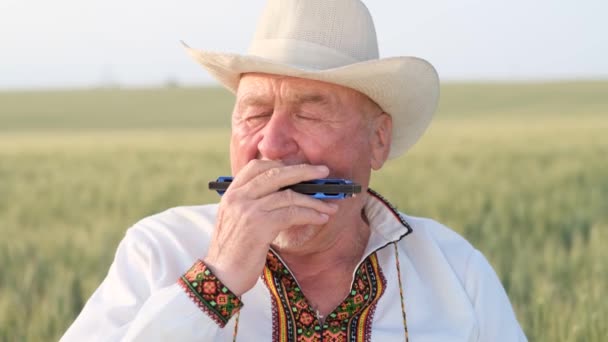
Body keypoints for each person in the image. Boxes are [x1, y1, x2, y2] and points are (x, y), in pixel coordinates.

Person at [62, 0, 527, 341]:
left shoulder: (454, 269)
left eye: (309, 113)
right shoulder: (158, 251)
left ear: (378, 140)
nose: (271, 144)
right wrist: (215, 280)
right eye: (255, 113)